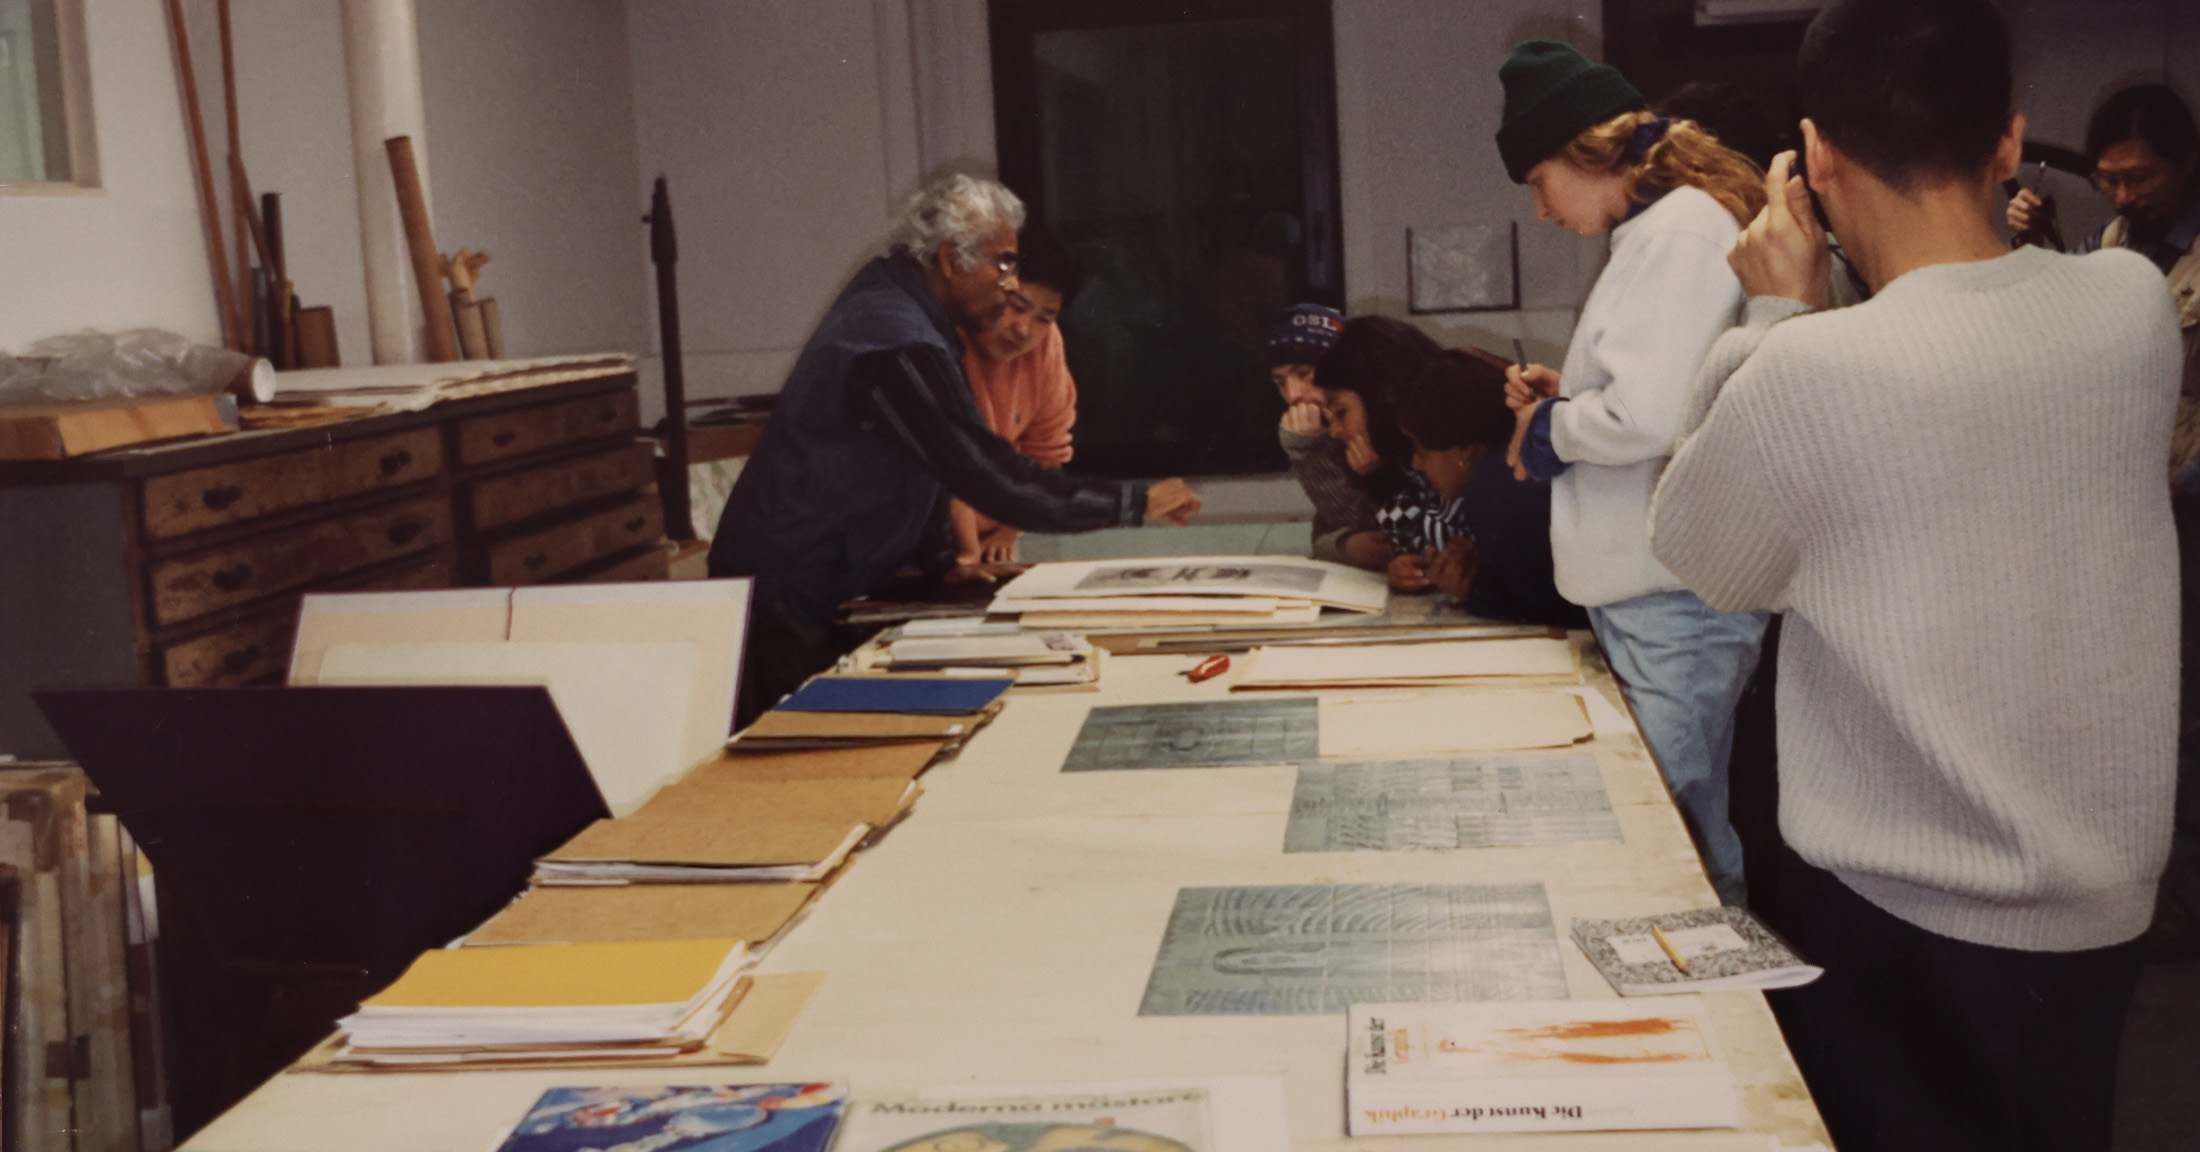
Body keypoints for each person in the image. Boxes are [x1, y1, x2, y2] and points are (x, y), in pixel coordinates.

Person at [1648, 0, 2180, 1146]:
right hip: (2099, 908)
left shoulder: (1810, 370)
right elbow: (1954, 351)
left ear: (1819, 156)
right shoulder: (2131, 307)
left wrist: (1774, 309)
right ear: (2006, 141)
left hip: (1899, 911)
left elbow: (1701, 552)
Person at [710, 174, 1201, 724]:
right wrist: (1133, 504)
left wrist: (942, 561)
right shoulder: (893, 339)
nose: (1010, 283)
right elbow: (977, 470)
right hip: (787, 588)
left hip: (818, 577)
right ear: (950, 259)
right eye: (1004, 263)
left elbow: (916, 465)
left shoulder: (905, 306)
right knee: (795, 758)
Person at [1493, 39, 1770, 905]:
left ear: (1587, 149)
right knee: (1680, 819)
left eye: (1538, 182)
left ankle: (1715, 1011)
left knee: (1676, 834)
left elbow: (1647, 416)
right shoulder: (1664, 227)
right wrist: (1568, 398)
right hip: (1660, 590)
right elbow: (1659, 391)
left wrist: (1552, 428)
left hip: (1672, 594)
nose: (1539, 210)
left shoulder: (1679, 231)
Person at [2013, 87, 2200, 950]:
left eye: (2142, 177)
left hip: (2189, 509)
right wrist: (2039, 249)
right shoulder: (2112, 244)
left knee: (2190, 708)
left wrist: (2185, 481)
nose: (2124, 196)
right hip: (2129, 515)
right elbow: (2079, 339)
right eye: (2111, 179)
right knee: (2135, 698)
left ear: (2186, 162)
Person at [1392, 349, 1584, 627]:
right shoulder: (1518, 464)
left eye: (1421, 448)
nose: (1416, 463)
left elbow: (1559, 611)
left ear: (1465, 449)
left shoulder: (1495, 485)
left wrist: (1476, 589)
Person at [950, 227, 1084, 565]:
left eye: (1043, 317)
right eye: (1017, 306)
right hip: (925, 534)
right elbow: (945, 466)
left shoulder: (1046, 345)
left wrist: (1010, 530)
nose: (1024, 330)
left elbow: (1046, 452)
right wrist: (967, 556)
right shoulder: (945, 337)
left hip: (994, 532)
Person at [1267, 304, 1389, 568]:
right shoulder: (1325, 430)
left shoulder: (1382, 419)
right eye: (1280, 383)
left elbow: (1385, 536)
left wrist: (1308, 454)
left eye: (1304, 374)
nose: (1293, 395)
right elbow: (1326, 531)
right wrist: (1342, 546)